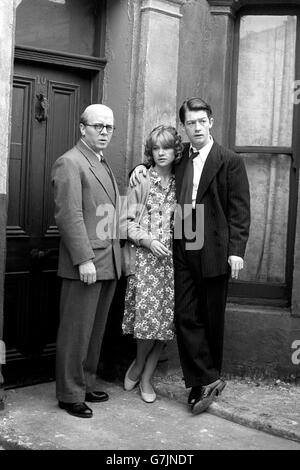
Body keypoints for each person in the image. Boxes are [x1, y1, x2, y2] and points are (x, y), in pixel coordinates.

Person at [130, 98, 250, 414]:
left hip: (214, 247)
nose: (196, 127)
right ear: (184, 126)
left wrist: (236, 251)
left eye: (201, 121)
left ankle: (202, 384)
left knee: (210, 316)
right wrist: (139, 168)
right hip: (183, 240)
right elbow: (159, 163)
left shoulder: (230, 160)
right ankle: (206, 379)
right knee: (184, 315)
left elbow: (240, 210)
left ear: (210, 121)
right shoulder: (182, 157)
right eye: (190, 123)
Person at [51, 104, 121, 418]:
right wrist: (83, 259)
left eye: (109, 127)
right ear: (83, 128)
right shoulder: (70, 162)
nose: (104, 132)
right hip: (87, 263)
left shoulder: (101, 162)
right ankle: (69, 393)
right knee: (76, 331)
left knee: (94, 331)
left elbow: (105, 214)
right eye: (98, 126)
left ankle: (85, 383)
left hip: (108, 261)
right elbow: (69, 215)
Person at [122, 125, 183, 403]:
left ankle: (147, 376)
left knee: (165, 325)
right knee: (147, 323)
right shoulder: (142, 180)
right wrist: (147, 241)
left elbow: (193, 224)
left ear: (175, 150)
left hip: (174, 265)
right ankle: (137, 364)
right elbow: (123, 223)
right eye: (156, 148)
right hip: (146, 263)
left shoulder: (183, 181)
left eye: (166, 148)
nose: (161, 153)